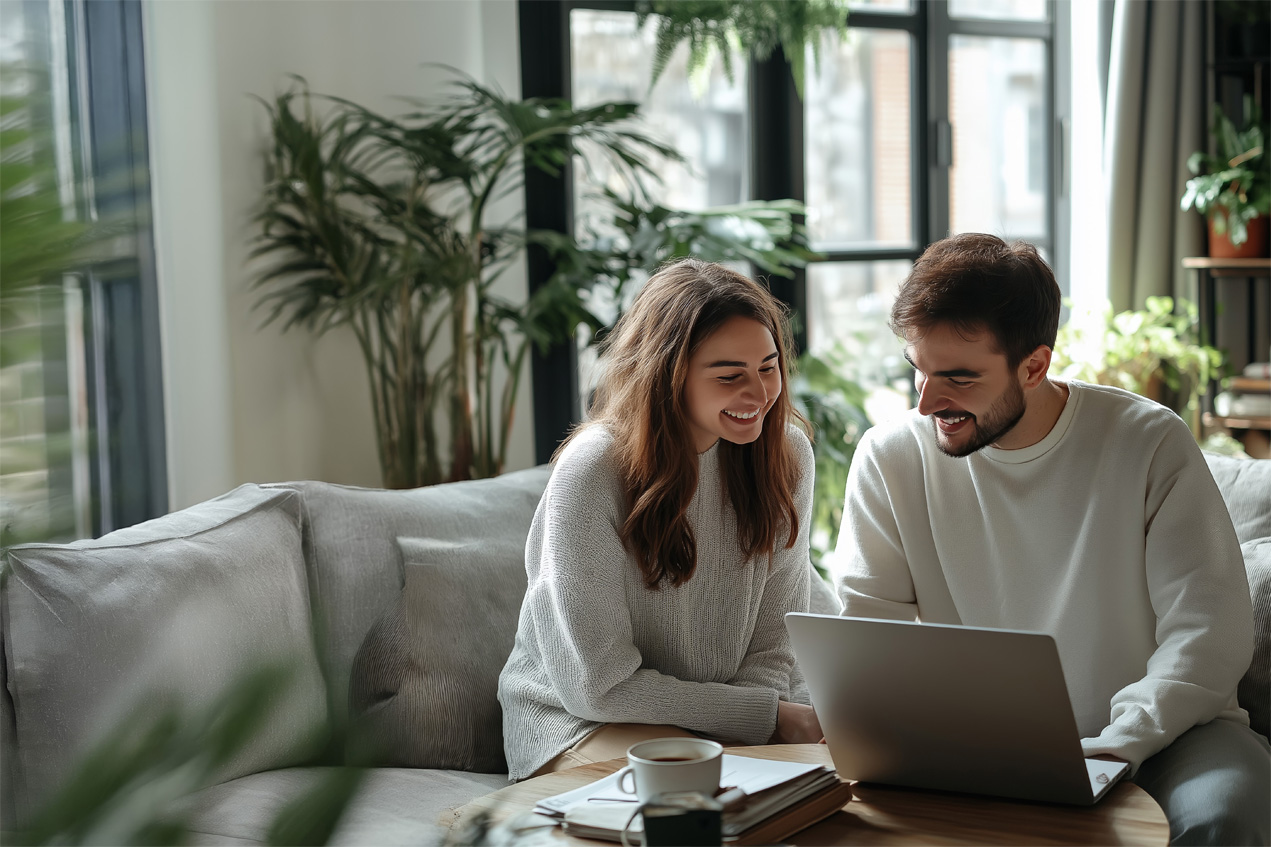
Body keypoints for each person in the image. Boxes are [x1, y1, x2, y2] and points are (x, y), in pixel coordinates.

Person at [833, 233, 1269, 846]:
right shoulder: (889, 458)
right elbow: (868, 638)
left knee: (1226, 813)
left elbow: (1209, 636)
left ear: (1034, 366)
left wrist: (1115, 745)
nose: (929, 401)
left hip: (1171, 733)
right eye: (919, 373)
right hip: (976, 744)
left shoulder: (1147, 442)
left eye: (958, 377)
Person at [498, 258, 823, 781]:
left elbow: (773, 643)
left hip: (721, 723)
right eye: (728, 375)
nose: (761, 395)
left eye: (768, 367)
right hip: (580, 723)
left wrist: (752, 727)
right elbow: (597, 686)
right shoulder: (594, 471)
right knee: (699, 794)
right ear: (669, 376)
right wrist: (760, 720)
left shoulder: (785, 453)